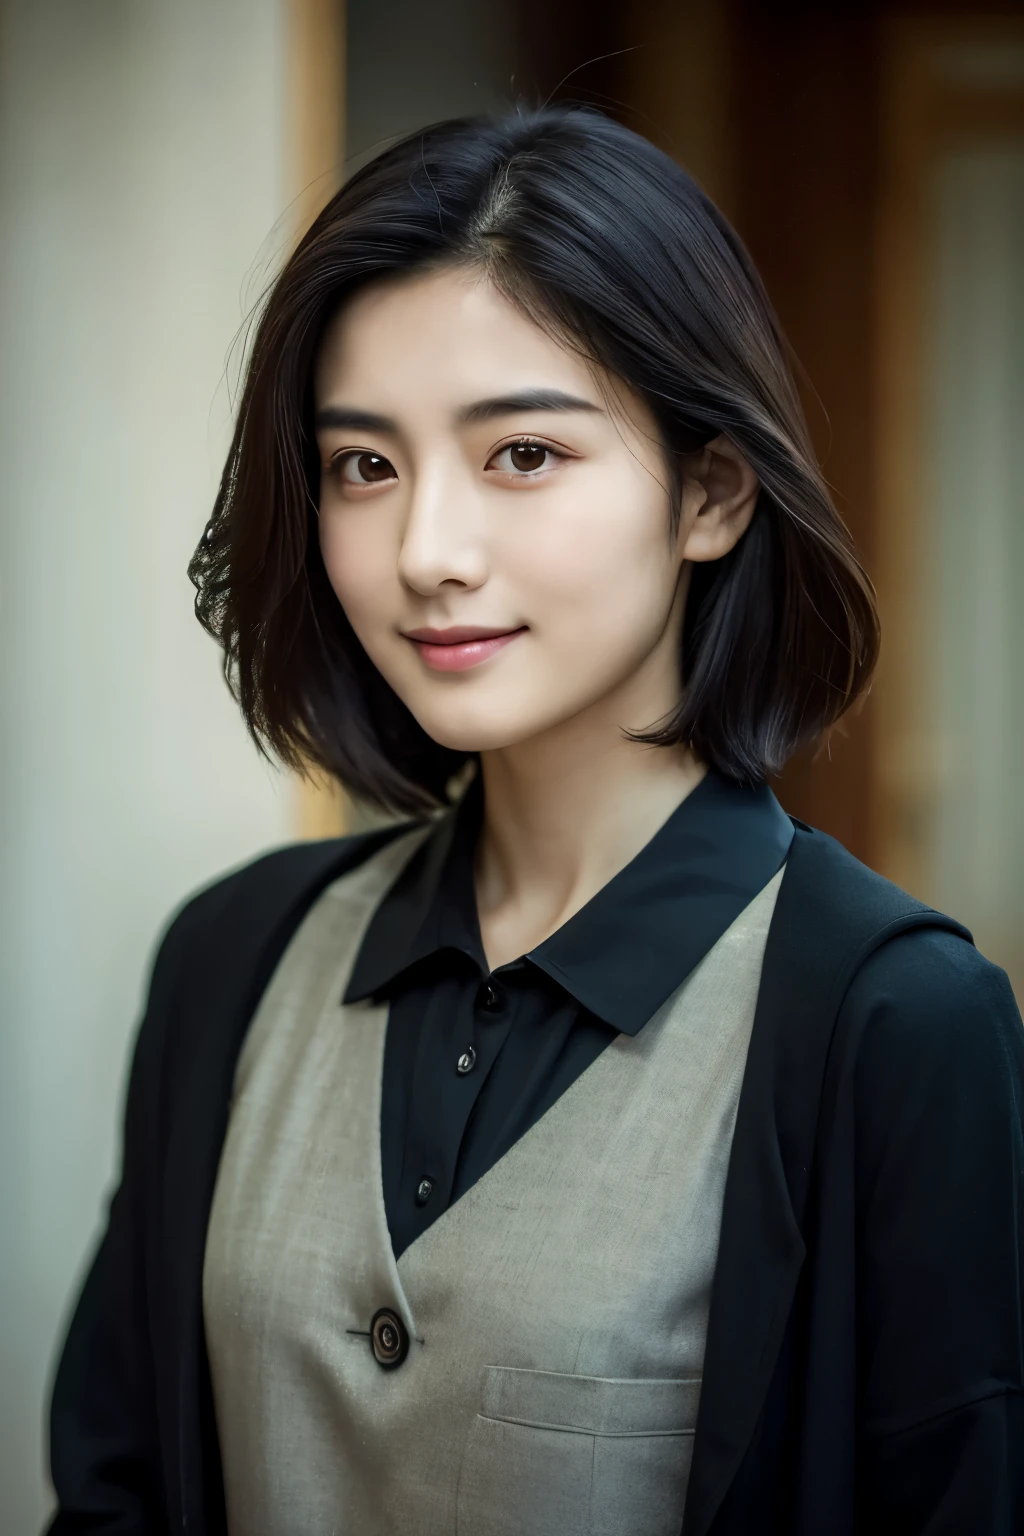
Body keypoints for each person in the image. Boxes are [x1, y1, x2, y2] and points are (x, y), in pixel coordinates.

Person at [45, 105, 1024, 1536]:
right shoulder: (230, 961)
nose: (427, 553)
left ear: (712, 491)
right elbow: (117, 1486)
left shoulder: (897, 1025)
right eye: (362, 466)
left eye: (522, 456)